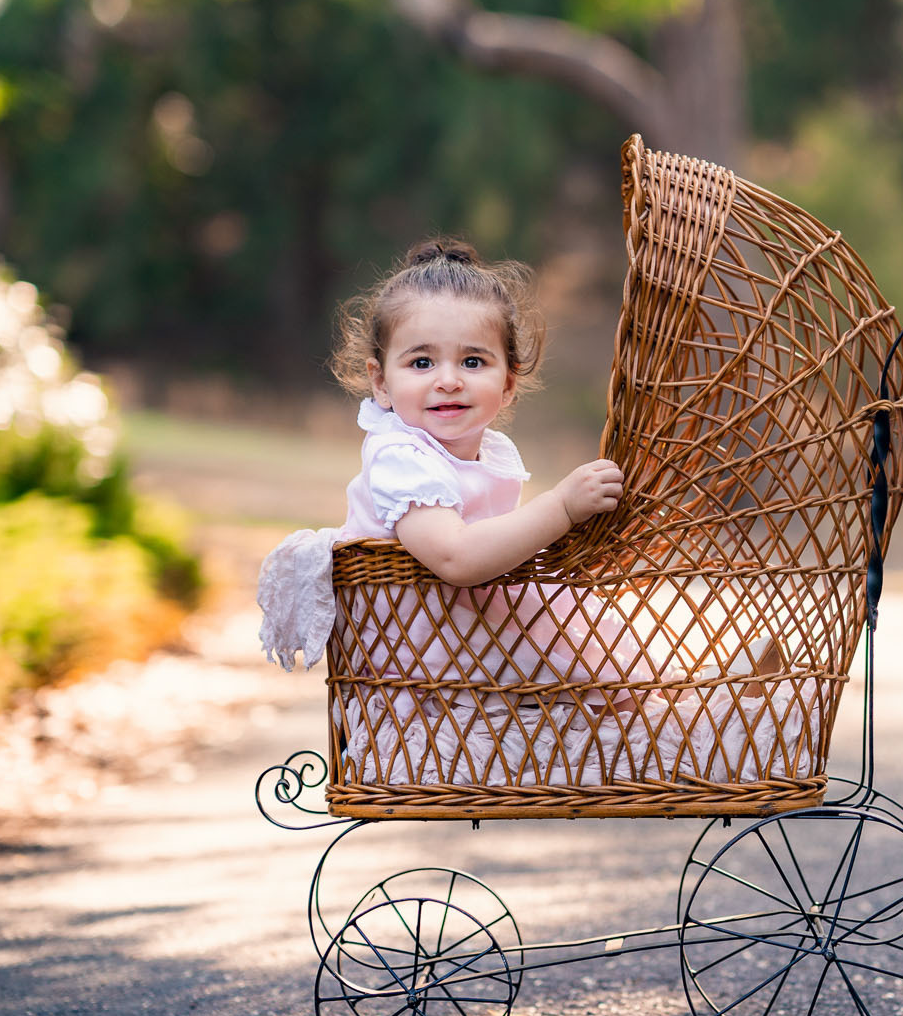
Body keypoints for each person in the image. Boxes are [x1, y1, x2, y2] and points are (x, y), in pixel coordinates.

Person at [257, 238, 780, 785]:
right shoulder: (399, 458)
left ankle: (683, 702)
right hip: (423, 648)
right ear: (381, 381)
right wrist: (560, 507)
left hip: (467, 625)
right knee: (577, 642)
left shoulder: (485, 453)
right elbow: (457, 558)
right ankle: (691, 713)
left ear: (507, 384)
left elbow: (501, 541)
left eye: (474, 361)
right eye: (421, 361)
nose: (449, 378)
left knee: (586, 626)